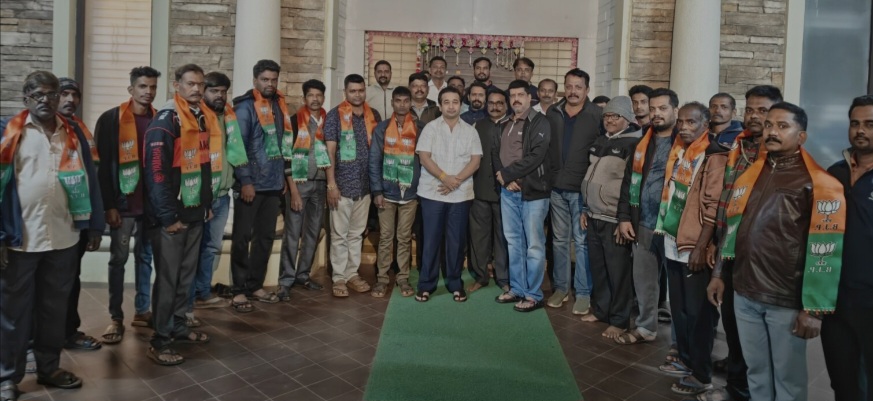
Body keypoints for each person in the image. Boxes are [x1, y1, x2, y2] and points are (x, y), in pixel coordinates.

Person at [713, 102, 845, 401]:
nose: (772, 131)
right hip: (744, 292)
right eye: (769, 125)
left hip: (784, 298)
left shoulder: (818, 183)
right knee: (756, 373)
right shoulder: (751, 174)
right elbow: (732, 227)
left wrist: (813, 311)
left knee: (788, 380)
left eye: (782, 126)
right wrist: (720, 273)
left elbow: (826, 250)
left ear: (801, 136)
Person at [1, 71, 104, 399]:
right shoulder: (9, 132)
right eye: (38, 95)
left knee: (54, 310)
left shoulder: (73, 133)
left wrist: (95, 225)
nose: (46, 100)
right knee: (13, 313)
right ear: (26, 98)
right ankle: (7, 377)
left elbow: (90, 179)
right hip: (20, 240)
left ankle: (49, 368)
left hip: (64, 237)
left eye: (52, 94)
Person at [704, 85, 783, 401]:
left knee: (759, 335)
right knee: (734, 323)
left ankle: (750, 389)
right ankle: (737, 387)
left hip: (764, 260)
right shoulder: (740, 148)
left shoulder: (781, 156)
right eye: (750, 109)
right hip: (731, 249)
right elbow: (727, 200)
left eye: (762, 110)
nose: (754, 115)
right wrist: (717, 242)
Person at [143, 63, 215, 365]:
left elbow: (204, 164)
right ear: (177, 86)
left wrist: (206, 204)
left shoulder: (200, 117)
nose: (196, 89)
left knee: (186, 277)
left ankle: (179, 327)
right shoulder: (166, 120)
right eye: (190, 84)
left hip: (195, 212)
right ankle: (160, 340)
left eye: (200, 84)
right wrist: (168, 217)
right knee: (168, 280)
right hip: (171, 218)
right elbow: (156, 172)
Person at [654, 102, 725, 397]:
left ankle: (701, 373)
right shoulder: (680, 151)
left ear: (705, 125)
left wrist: (701, 246)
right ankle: (684, 359)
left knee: (698, 314)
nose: (683, 127)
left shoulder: (714, 155)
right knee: (680, 309)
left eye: (691, 122)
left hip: (694, 244)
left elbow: (713, 207)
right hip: (673, 239)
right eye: (681, 122)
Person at [94, 66, 160, 344]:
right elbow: (101, 167)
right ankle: (116, 317)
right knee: (118, 260)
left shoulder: (160, 119)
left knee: (145, 258)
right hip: (122, 205)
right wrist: (109, 205)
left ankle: (142, 310)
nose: (148, 92)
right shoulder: (111, 119)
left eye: (153, 87)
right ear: (131, 89)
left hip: (151, 206)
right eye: (143, 86)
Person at [615, 88, 678, 346]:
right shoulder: (643, 142)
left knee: (680, 288)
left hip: (674, 226)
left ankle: (680, 344)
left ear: (675, 110)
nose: (656, 113)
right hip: (642, 222)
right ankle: (646, 327)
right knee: (644, 281)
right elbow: (628, 181)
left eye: (662, 108)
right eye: (653, 109)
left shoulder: (687, 144)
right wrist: (624, 217)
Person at [821, 94, 873, 401]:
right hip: (835, 296)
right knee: (842, 379)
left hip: (870, 297)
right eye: (855, 123)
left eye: (870, 124)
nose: (860, 130)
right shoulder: (834, 173)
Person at [229, 59, 289, 311]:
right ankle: (238, 290)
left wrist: (282, 177)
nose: (270, 84)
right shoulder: (245, 108)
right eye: (265, 79)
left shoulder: (279, 105)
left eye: (273, 79)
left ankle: (255, 285)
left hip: (272, 184)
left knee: (264, 238)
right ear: (255, 80)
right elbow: (238, 146)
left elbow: (282, 144)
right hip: (250, 185)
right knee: (242, 238)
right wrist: (245, 180)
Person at [579, 96, 641, 338]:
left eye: (615, 116)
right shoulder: (601, 140)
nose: (610, 120)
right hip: (593, 214)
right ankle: (601, 310)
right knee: (599, 269)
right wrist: (584, 208)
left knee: (618, 272)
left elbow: (632, 185)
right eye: (607, 116)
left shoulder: (634, 144)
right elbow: (590, 176)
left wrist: (624, 218)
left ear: (627, 118)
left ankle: (620, 320)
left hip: (615, 218)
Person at [414, 86, 482, 302]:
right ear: (440, 105)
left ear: (461, 105)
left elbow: (475, 161)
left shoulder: (470, 131)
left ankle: (455, 283)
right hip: (432, 193)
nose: (451, 106)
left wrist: (456, 181)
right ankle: (426, 284)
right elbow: (424, 157)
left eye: (455, 102)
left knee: (456, 241)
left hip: (460, 195)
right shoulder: (430, 128)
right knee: (430, 240)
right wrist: (445, 178)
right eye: (446, 102)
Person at [189, 72, 248, 314]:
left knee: (211, 247)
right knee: (193, 247)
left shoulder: (229, 117)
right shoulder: (196, 117)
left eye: (223, 91)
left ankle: (202, 293)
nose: (220, 95)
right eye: (214, 91)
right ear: (204, 91)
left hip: (221, 195)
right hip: (198, 196)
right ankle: (187, 297)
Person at [545, 68, 601, 314]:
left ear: (587, 90)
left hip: (581, 190)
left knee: (581, 242)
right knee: (559, 241)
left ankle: (584, 292)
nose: (573, 91)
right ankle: (561, 288)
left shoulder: (596, 115)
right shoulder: (553, 112)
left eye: (578, 87)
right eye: (569, 86)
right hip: (556, 188)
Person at [493, 80, 552, 312]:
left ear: (529, 97)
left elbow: (536, 156)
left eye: (520, 95)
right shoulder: (505, 123)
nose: (516, 99)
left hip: (533, 191)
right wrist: (504, 178)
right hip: (508, 191)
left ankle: (533, 295)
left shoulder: (539, 122)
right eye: (512, 95)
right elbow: (495, 152)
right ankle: (517, 288)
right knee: (513, 241)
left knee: (534, 245)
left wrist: (510, 175)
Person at [56, 77, 102, 351]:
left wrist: (95, 225)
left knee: (71, 280)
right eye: (64, 94)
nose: (70, 100)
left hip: (77, 221)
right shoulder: (29, 131)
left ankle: (68, 332)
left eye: (75, 95)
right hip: (47, 221)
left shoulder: (81, 133)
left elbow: (92, 181)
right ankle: (33, 341)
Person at [324, 74, 381, 297]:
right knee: (339, 234)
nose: (357, 95)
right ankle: (339, 277)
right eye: (353, 91)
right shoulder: (334, 116)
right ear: (345, 92)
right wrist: (331, 185)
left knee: (356, 234)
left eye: (361, 90)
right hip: (342, 185)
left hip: (365, 186)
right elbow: (330, 152)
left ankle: (351, 274)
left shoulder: (373, 115)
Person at [276, 79, 329, 301]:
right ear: (304, 98)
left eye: (319, 95)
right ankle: (285, 281)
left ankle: (303, 275)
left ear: (323, 97)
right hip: (299, 183)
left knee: (313, 232)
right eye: (311, 95)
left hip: (321, 184)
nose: (315, 99)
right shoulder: (294, 121)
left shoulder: (329, 120)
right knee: (292, 232)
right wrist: (294, 191)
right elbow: (286, 155)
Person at [368, 86, 421, 298]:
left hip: (410, 193)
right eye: (398, 101)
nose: (402, 105)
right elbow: (374, 161)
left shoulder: (419, 128)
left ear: (410, 103)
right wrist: (376, 191)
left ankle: (403, 278)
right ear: (392, 103)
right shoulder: (381, 129)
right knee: (386, 237)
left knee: (404, 237)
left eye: (405, 101)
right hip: (387, 191)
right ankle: (382, 279)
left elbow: (424, 160)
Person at [468, 89, 510, 293]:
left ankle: (503, 278)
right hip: (479, 191)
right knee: (479, 237)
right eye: (491, 103)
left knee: (503, 237)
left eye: (499, 103)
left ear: (506, 105)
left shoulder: (514, 125)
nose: (495, 106)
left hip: (506, 192)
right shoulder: (477, 126)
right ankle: (481, 275)